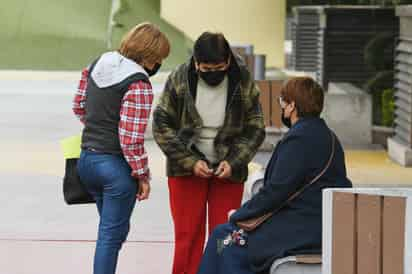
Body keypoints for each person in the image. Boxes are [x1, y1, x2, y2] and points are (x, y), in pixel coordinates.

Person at [197, 77, 353, 274]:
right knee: (227, 238)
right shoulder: (329, 137)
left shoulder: (298, 139)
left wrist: (238, 215)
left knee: (224, 240)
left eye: (282, 102)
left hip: (299, 232)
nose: (282, 108)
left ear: (292, 107)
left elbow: (275, 192)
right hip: (322, 227)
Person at [152, 32, 266, 274]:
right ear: (196, 62)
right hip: (185, 168)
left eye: (219, 67)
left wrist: (234, 161)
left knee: (224, 235)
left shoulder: (243, 80)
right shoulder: (179, 78)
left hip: (228, 170)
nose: (213, 73)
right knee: (187, 235)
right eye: (206, 68)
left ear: (228, 62)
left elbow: (255, 127)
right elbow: (161, 124)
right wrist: (190, 161)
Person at [72, 22, 170, 274]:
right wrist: (143, 176)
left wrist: (100, 128)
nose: (159, 64)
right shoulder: (138, 83)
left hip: (86, 162)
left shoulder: (97, 64)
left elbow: (79, 105)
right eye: (159, 58)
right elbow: (130, 139)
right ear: (149, 56)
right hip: (115, 169)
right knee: (110, 238)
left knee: (113, 232)